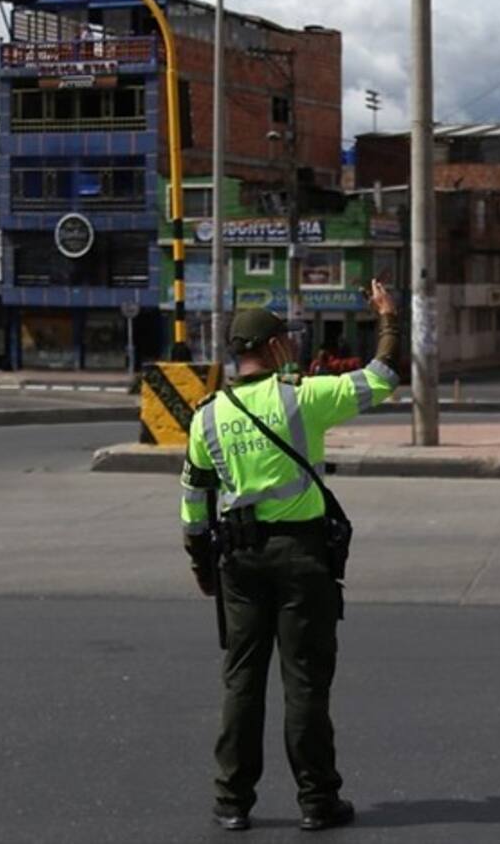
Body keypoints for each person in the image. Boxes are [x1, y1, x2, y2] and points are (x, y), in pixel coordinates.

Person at [180, 279, 400, 833]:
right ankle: (317, 801)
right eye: (288, 340)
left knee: (241, 682)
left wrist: (202, 567)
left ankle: (232, 802)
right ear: (275, 347)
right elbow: (383, 377)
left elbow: (193, 503)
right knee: (304, 683)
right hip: (302, 560)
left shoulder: (206, 416)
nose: (295, 348)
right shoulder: (302, 398)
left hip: (239, 562)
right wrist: (388, 317)